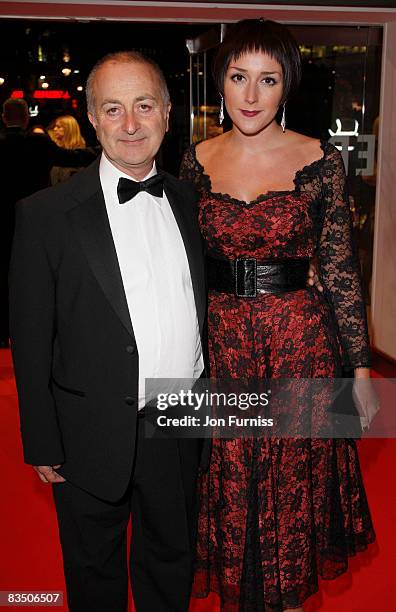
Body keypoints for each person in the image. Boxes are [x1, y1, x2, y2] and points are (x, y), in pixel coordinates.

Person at [180, 19, 377, 612]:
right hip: (224, 345)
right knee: (231, 480)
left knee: (291, 482)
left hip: (299, 343)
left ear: (285, 85)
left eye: (266, 80)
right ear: (222, 80)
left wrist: (361, 371)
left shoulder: (317, 159)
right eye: (239, 77)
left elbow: (340, 272)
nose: (250, 94)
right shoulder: (194, 161)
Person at [9, 51, 207, 612]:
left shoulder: (192, 202)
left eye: (143, 106)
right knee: (93, 574)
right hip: (86, 430)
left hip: (179, 423)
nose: (129, 124)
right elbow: (30, 335)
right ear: (92, 118)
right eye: (112, 109)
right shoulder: (45, 215)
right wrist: (41, 439)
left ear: (168, 114)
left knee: (171, 563)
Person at [0, 98, 96, 348]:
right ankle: (34, 329)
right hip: (35, 219)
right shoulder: (37, 142)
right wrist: (101, 150)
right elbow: (70, 158)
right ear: (26, 118)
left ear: (3, 117)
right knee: (35, 275)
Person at [48, 114, 87, 185]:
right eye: (55, 126)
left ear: (68, 129)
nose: (55, 129)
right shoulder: (55, 149)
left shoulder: (80, 154)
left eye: (59, 127)